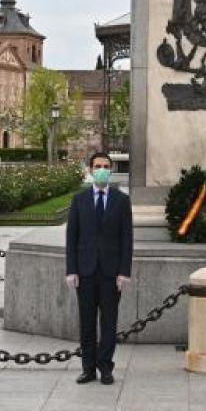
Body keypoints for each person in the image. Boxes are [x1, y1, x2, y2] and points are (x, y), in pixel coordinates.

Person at [65, 152, 133, 385]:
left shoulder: (121, 200)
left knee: (109, 323)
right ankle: (88, 368)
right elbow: (72, 237)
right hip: (85, 272)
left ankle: (105, 367)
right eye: (97, 166)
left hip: (111, 273)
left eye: (105, 166)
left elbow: (127, 238)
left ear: (110, 170)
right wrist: (71, 270)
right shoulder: (79, 200)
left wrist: (124, 271)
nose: (101, 170)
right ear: (90, 170)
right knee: (87, 323)